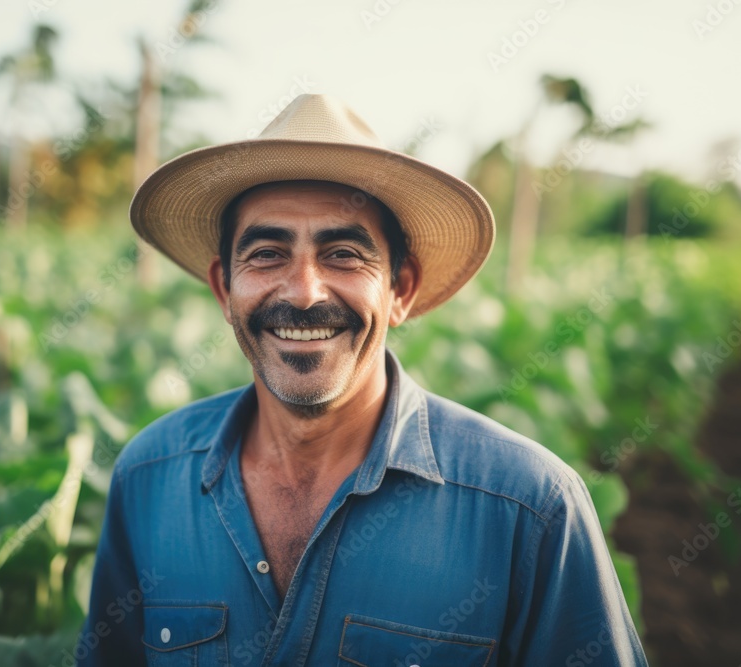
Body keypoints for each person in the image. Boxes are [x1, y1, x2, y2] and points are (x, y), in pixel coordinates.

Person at [76, 94, 648, 666]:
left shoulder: (529, 507)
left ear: (400, 289)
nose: (304, 292)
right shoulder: (149, 477)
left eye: (344, 254)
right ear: (225, 288)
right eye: (268, 253)